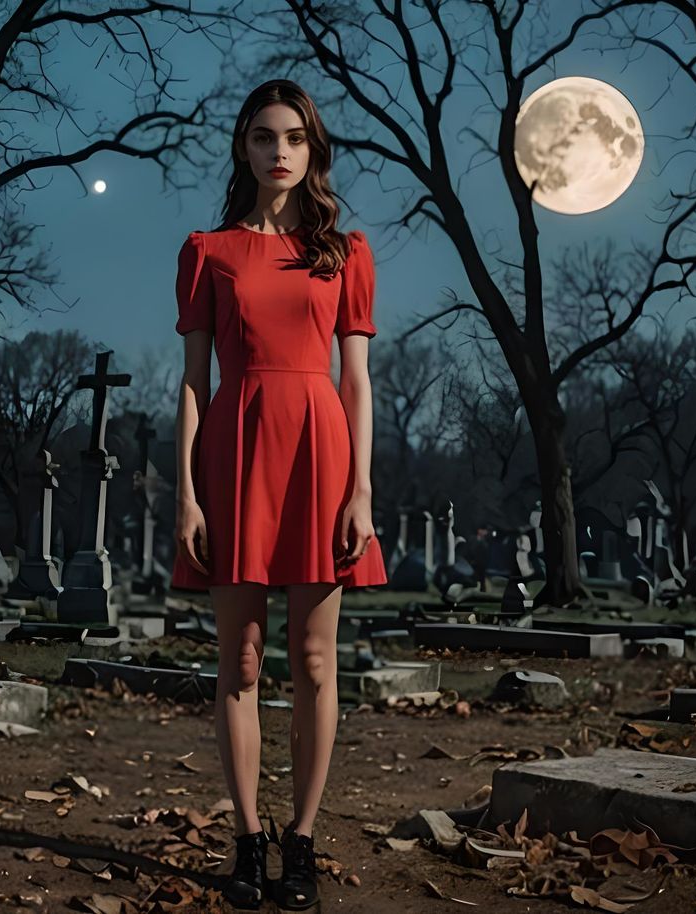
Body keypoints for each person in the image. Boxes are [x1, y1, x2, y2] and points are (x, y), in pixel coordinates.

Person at [169, 79, 388, 911]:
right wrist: (188, 494)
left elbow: (358, 383)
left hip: (321, 458)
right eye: (264, 137)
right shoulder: (208, 251)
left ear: (313, 148)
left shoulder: (346, 253)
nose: (280, 151)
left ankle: (301, 842)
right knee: (242, 662)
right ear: (244, 148)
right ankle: (246, 841)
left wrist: (361, 489)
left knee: (317, 660)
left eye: (294, 137)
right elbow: (192, 384)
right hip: (234, 454)